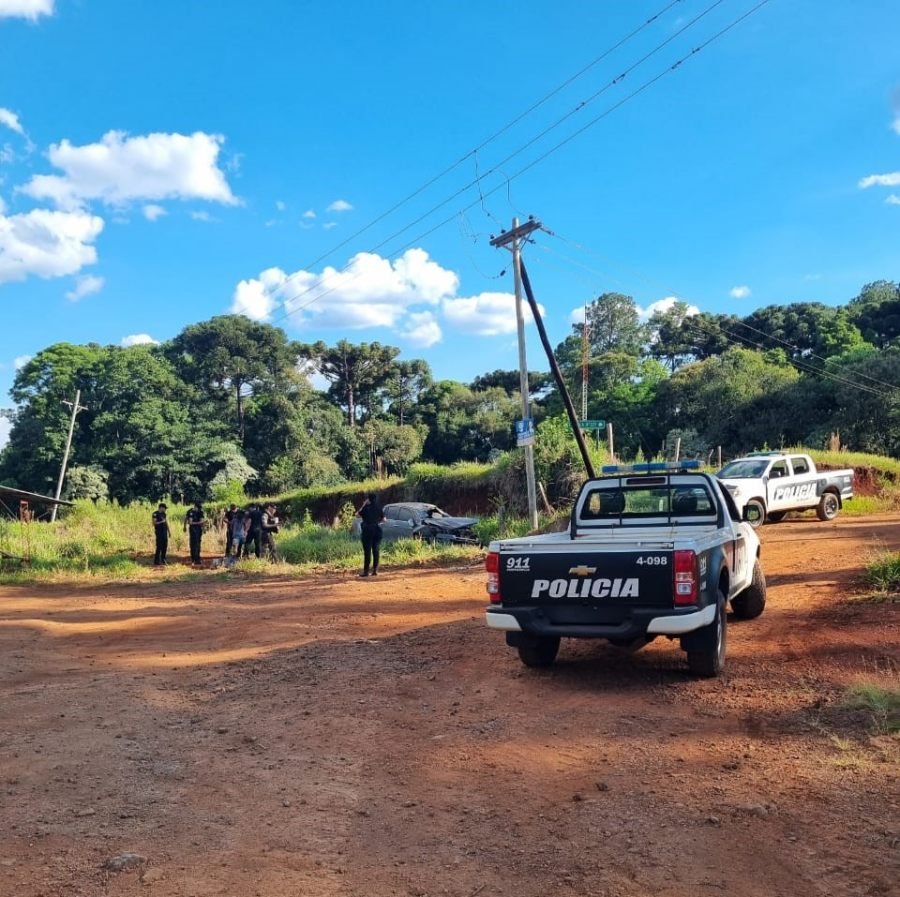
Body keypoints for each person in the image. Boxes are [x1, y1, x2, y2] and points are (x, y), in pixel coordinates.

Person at [356, 492, 385, 577]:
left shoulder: (366, 508)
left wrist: (363, 505)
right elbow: (384, 520)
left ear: (368, 499)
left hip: (367, 531)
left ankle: (366, 572)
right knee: (376, 550)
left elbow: (357, 515)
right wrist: (377, 522)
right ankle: (375, 570)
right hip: (377, 530)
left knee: (367, 551)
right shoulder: (379, 508)